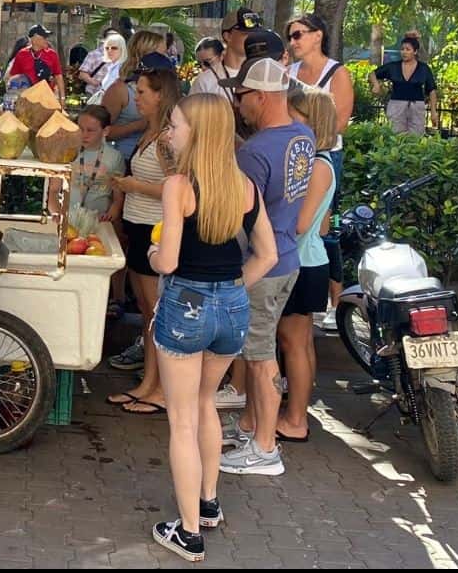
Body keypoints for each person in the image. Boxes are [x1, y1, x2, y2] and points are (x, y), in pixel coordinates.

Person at [147, 93, 278, 562]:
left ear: (197, 133)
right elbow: (269, 253)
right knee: (205, 403)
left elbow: (170, 259)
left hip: (185, 304)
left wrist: (151, 255)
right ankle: (208, 503)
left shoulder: (178, 185)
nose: (170, 132)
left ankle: (187, 533)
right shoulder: (244, 185)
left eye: (176, 125)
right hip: (233, 307)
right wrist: (231, 286)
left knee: (180, 420)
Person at [216, 57, 315, 477]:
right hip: (288, 256)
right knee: (261, 349)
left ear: (261, 95)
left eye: (241, 97)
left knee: (258, 356)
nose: (238, 105)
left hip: (261, 262)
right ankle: (253, 427)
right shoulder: (304, 136)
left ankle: (265, 447)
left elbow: (238, 214)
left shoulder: (256, 151)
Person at [105, 61, 181, 415]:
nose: (136, 98)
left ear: (160, 95)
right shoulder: (152, 132)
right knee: (148, 313)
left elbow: (176, 186)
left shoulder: (167, 137)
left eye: (142, 92)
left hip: (155, 230)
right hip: (139, 226)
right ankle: (148, 384)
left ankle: (159, 388)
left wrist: (135, 186)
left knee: (155, 314)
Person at [275, 86, 337, 444]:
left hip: (302, 262)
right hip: (312, 259)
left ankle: (296, 418)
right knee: (301, 342)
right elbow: (323, 225)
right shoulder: (324, 164)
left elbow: (300, 223)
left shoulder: (315, 166)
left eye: (295, 116)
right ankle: (299, 411)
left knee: (293, 342)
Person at [286, 13, 353, 322]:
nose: (293, 41)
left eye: (298, 34)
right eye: (290, 36)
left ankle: (334, 304)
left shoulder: (336, 73)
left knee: (326, 226)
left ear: (318, 36)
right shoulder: (289, 71)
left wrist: (309, 140)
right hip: (294, 152)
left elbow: (339, 122)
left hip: (325, 155)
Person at [47, 105, 125, 221]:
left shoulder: (115, 157)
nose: (84, 134)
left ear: (105, 131)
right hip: (68, 220)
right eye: (80, 129)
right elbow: (53, 191)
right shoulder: (66, 151)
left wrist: (112, 213)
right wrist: (56, 213)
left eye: (90, 130)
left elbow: (117, 198)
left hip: (99, 222)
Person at [101, 38, 166, 165]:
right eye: (161, 54)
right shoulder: (121, 89)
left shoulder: (168, 90)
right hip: (124, 159)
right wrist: (138, 125)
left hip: (153, 161)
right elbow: (101, 131)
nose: (165, 57)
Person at [368, 34, 439, 136]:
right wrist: (376, 85)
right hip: (396, 106)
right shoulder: (393, 66)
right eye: (402, 49)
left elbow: (432, 90)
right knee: (396, 137)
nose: (404, 52)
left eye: (408, 49)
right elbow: (373, 74)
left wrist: (433, 112)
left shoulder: (424, 69)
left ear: (415, 51)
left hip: (416, 107)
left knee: (416, 139)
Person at [8, 24, 64, 102]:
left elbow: (58, 76)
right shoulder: (22, 54)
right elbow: (13, 77)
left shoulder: (52, 54)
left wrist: (62, 98)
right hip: (27, 100)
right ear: (34, 39)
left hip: (46, 99)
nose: (46, 40)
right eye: (44, 37)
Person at [220, 8, 262, 79]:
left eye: (256, 34)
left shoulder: (263, 75)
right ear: (227, 36)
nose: (254, 38)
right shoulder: (205, 81)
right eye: (247, 34)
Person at [189, 37, 233, 102]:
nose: (203, 67)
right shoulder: (201, 81)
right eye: (199, 64)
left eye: (207, 62)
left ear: (222, 55)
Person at [79, 27, 121, 93]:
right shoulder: (94, 54)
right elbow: (82, 74)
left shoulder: (120, 56)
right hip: (94, 93)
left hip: (112, 94)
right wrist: (95, 82)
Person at [87, 32, 128, 102]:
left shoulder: (122, 67)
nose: (109, 50)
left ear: (122, 49)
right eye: (107, 48)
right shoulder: (112, 66)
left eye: (114, 48)